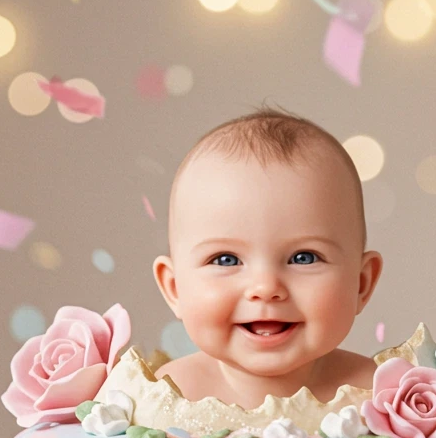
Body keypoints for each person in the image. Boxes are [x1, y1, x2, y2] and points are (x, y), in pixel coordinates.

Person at [153, 106, 383, 409]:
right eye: (226, 260)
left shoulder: (378, 396)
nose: (265, 287)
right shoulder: (163, 396)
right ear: (174, 288)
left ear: (361, 284)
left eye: (303, 258)